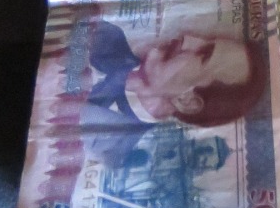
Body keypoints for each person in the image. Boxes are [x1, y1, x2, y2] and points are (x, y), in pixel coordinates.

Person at [80, 20, 266, 162]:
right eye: (205, 39)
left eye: (203, 53)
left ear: (187, 101)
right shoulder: (108, 36)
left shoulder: (110, 148)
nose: (187, 38)